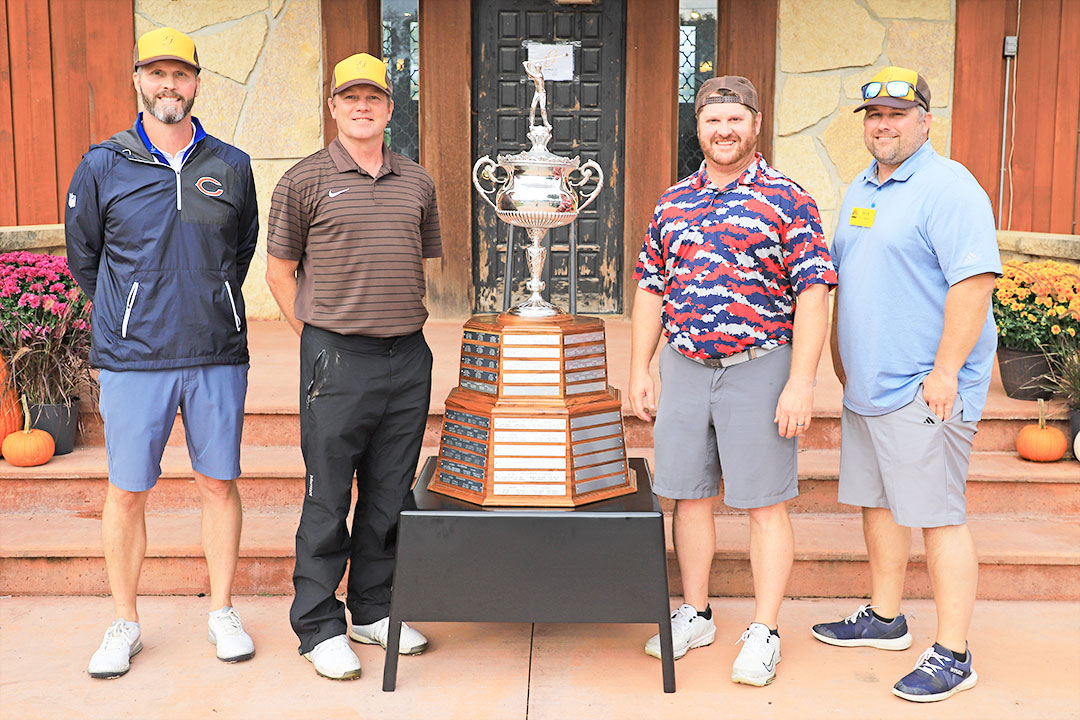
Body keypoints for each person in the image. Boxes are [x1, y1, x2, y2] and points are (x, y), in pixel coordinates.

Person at [630, 76, 836, 686]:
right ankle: (696, 613)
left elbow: (815, 292)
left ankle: (765, 630)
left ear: (756, 124)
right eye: (713, 120)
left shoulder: (789, 200)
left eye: (735, 120)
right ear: (698, 127)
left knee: (765, 503)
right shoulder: (673, 203)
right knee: (689, 495)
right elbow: (651, 287)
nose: (724, 131)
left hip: (760, 368)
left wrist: (802, 381)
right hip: (685, 368)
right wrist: (640, 366)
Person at [66, 26, 259, 679]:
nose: (168, 85)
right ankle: (124, 622)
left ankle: (222, 610)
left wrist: (208, 299)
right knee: (126, 491)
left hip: (215, 352)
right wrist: (133, 307)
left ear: (197, 83)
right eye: (157, 74)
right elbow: (85, 258)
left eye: (180, 74)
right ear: (138, 81)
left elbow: (239, 251)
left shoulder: (231, 165)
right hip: (133, 358)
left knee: (219, 483)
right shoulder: (102, 165)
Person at [809, 66, 1001, 703]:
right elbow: (850, 278)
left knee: (938, 515)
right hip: (869, 387)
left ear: (925, 120)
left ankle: (954, 653)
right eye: (874, 115)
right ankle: (886, 618)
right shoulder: (863, 186)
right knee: (879, 503)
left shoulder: (949, 188)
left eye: (897, 114)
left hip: (924, 387)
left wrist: (945, 373)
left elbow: (974, 284)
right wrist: (842, 358)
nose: (883, 125)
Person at [265, 52, 442, 681]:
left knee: (390, 493)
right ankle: (318, 625)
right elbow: (279, 274)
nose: (362, 107)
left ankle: (373, 607)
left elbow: (419, 260)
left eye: (374, 98)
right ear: (333, 107)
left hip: (408, 357)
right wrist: (319, 340)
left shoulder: (417, 181)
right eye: (350, 98)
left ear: (390, 108)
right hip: (337, 359)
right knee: (328, 495)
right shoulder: (303, 180)